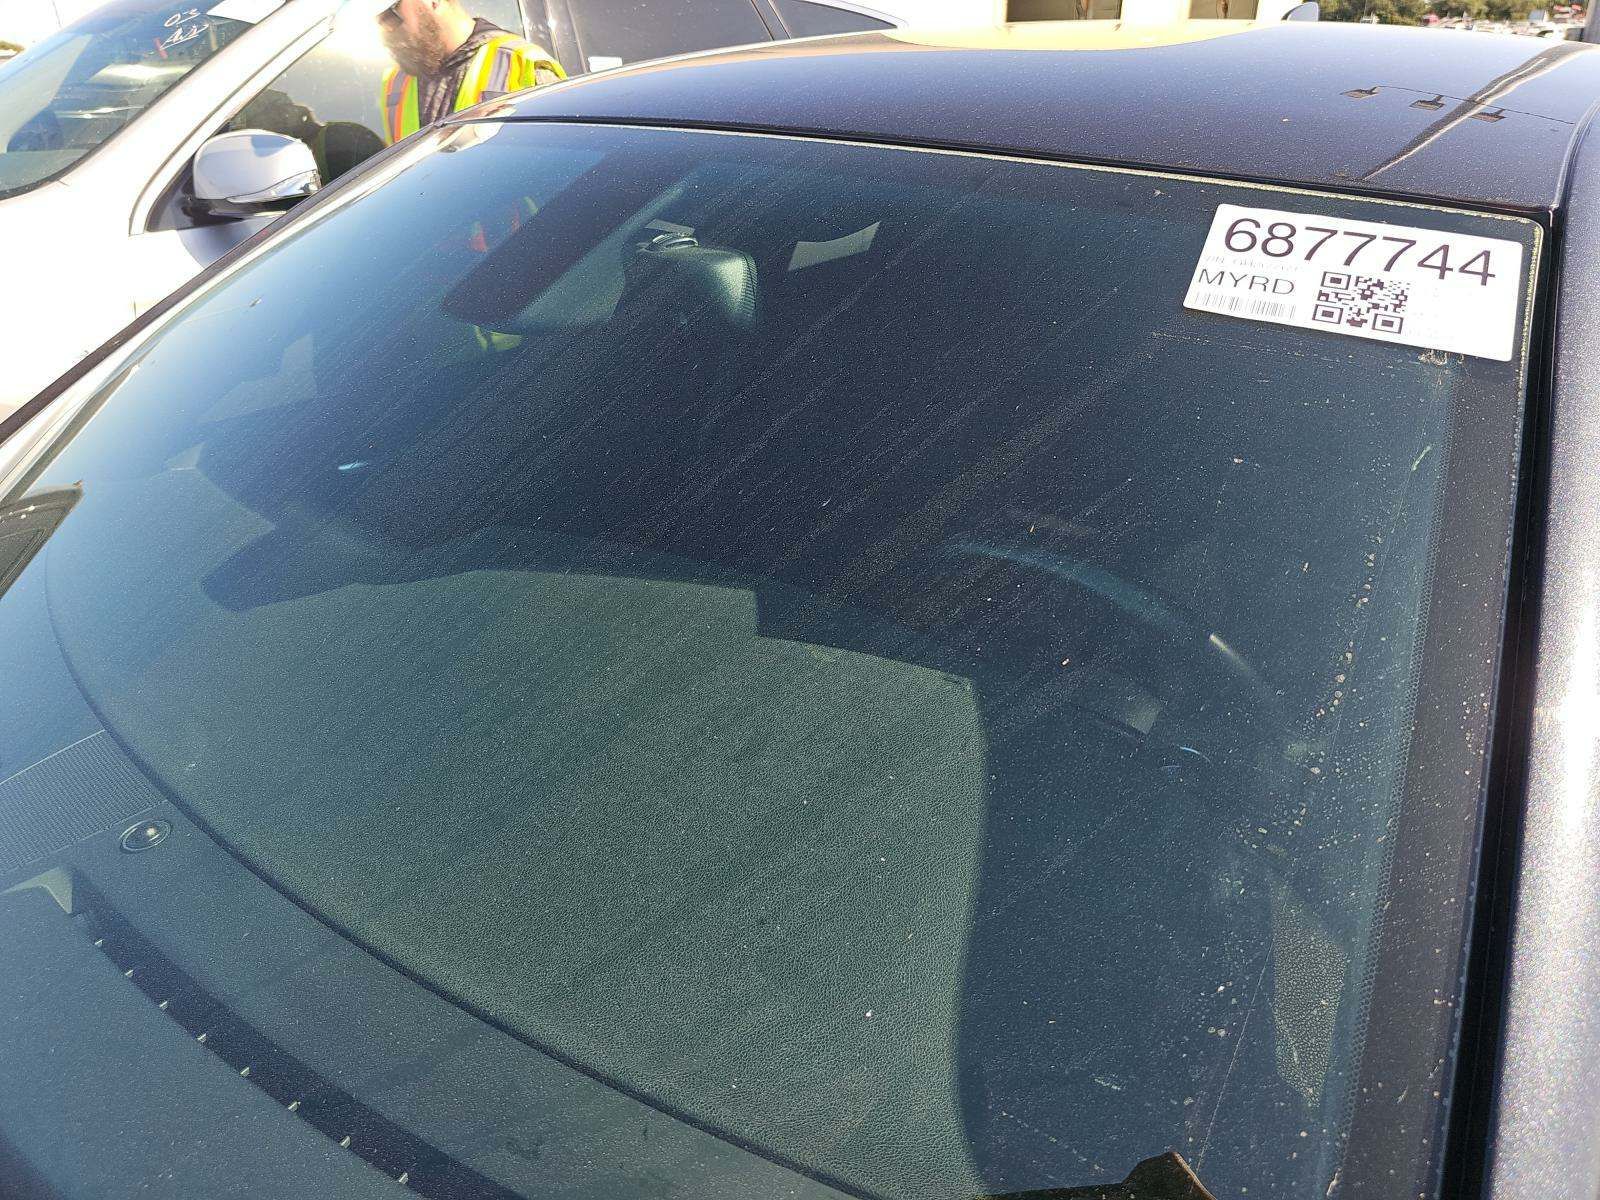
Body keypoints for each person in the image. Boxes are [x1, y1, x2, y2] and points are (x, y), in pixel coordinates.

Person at [377, 0, 564, 145]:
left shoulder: (524, 66)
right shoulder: (395, 83)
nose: (384, 32)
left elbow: (564, 170)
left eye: (389, 17)